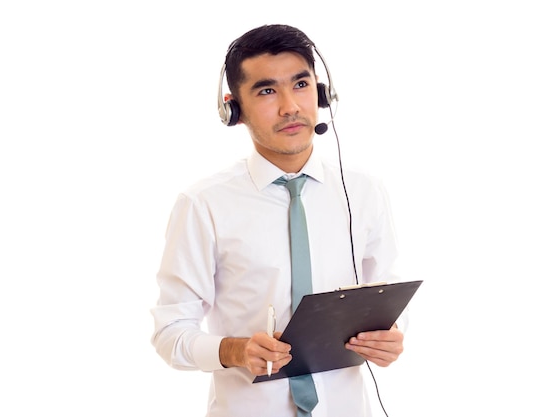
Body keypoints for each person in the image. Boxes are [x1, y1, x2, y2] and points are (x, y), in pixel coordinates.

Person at [150, 24, 406, 417]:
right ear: (232, 108)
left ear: (321, 94)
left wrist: (391, 340)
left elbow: (389, 299)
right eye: (267, 91)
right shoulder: (203, 204)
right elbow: (169, 333)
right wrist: (234, 349)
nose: (290, 106)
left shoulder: (364, 192)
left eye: (301, 85)